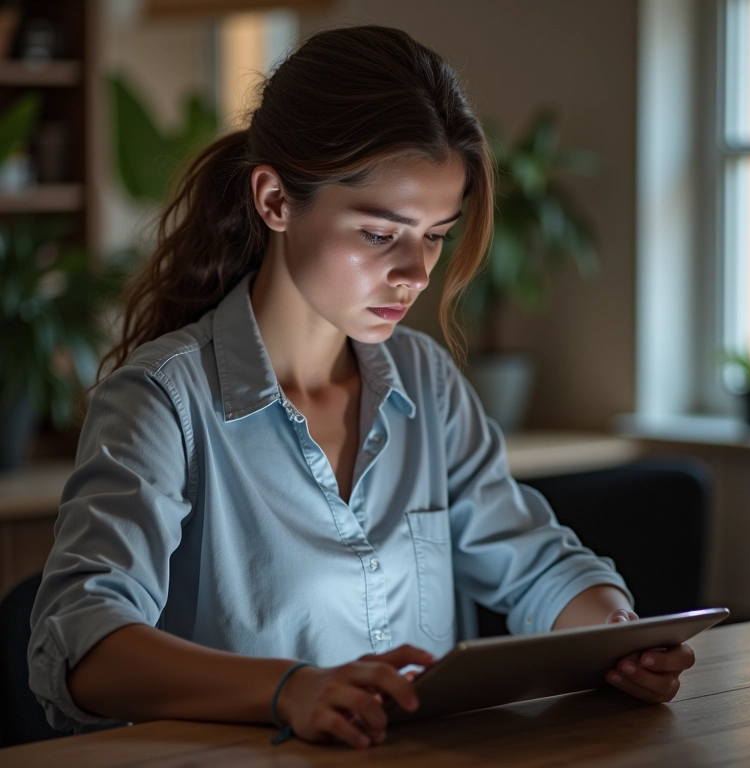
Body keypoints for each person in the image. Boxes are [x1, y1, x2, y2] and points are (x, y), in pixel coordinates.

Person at [28, 25, 694, 750]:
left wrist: (618, 637)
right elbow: (84, 645)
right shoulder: (162, 400)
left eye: (436, 234)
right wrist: (291, 690)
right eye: (381, 234)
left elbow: (537, 565)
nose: (415, 271)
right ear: (276, 200)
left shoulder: (426, 382)